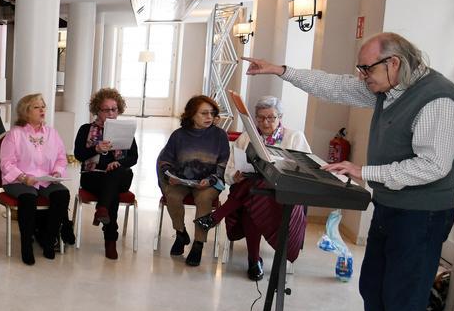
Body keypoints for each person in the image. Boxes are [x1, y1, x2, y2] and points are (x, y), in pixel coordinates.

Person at [242, 32, 454, 311]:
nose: (362, 76)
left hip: (423, 214)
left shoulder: (438, 100)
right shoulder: (387, 88)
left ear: (393, 63)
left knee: (404, 298)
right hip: (392, 206)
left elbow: (433, 165)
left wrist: (365, 172)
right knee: (373, 286)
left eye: (367, 69)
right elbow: (334, 86)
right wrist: (280, 70)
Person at [193, 96, 311, 281]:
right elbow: (229, 172)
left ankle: (216, 218)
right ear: (255, 118)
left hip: (282, 196)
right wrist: (236, 175)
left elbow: (306, 172)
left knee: (255, 189)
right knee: (253, 194)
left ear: (280, 117)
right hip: (254, 196)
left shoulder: (294, 137)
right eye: (260, 118)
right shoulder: (246, 137)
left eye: (271, 117)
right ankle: (254, 261)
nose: (265, 122)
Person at [0, 93, 75, 265]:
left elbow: (61, 158)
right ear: (26, 112)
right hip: (19, 180)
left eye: (43, 106)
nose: (42, 110)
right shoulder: (15, 134)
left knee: (62, 195)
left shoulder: (52, 133)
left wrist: (56, 171)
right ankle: (26, 245)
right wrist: (24, 177)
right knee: (28, 197)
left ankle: (49, 239)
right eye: (36, 107)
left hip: (46, 179)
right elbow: (6, 164)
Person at [156, 95, 230, 267]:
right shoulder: (178, 135)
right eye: (204, 113)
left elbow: (224, 163)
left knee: (203, 199)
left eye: (212, 113)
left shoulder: (220, 136)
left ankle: (198, 243)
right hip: (181, 180)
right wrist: (170, 177)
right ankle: (181, 233)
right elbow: (165, 160)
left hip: (209, 181)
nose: (209, 117)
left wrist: (211, 179)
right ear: (191, 115)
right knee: (172, 196)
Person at [73, 88, 138, 261]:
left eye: (114, 109)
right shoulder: (86, 129)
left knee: (114, 175)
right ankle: (110, 239)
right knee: (111, 192)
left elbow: (134, 157)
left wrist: (119, 162)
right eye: (106, 109)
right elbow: (79, 155)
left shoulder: (126, 129)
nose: (110, 113)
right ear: (97, 111)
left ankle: (102, 209)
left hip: (120, 174)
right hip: (93, 175)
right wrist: (95, 148)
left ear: (119, 110)